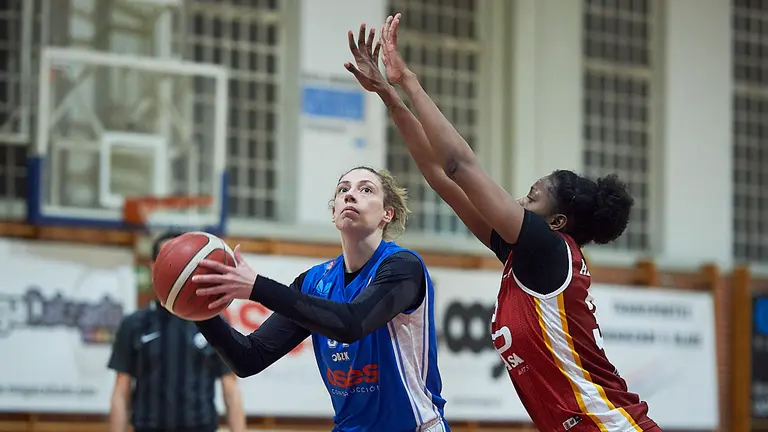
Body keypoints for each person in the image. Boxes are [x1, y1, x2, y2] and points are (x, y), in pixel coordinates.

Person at [344, 15, 662, 432]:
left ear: (557, 221)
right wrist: (388, 96)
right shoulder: (525, 258)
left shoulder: (549, 252)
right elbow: (439, 175)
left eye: (532, 197)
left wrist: (407, 80)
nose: (517, 201)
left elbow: (458, 164)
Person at [190, 165, 449, 432]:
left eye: (366, 189)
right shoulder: (315, 282)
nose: (350, 195)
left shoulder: (404, 267)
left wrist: (257, 287)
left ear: (387, 213)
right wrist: (199, 310)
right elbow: (248, 358)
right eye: (343, 190)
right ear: (334, 212)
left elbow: (352, 323)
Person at [107, 231, 247, 432]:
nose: (177, 265)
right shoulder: (134, 324)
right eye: (168, 259)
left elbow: (231, 390)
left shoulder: (214, 323)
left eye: (183, 259)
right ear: (153, 267)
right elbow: (121, 393)